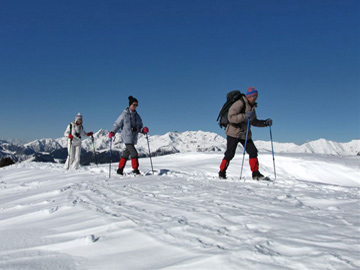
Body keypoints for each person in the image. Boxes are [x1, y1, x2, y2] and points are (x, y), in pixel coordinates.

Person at [218, 87, 273, 180]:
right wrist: (244, 116)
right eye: (254, 96)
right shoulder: (240, 103)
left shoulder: (252, 107)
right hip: (233, 133)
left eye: (256, 96)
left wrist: (264, 123)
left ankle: (255, 173)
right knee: (229, 154)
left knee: (253, 151)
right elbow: (231, 117)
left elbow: (253, 121)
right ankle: (222, 172)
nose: (255, 98)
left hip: (245, 134)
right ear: (249, 96)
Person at [109, 96, 149, 175]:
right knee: (134, 153)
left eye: (136, 105)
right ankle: (135, 170)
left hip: (134, 138)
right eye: (134, 105)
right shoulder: (124, 115)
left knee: (126, 154)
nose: (135, 107)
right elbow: (117, 124)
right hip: (127, 137)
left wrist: (143, 130)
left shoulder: (137, 116)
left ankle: (120, 169)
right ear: (130, 105)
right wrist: (113, 132)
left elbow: (139, 127)